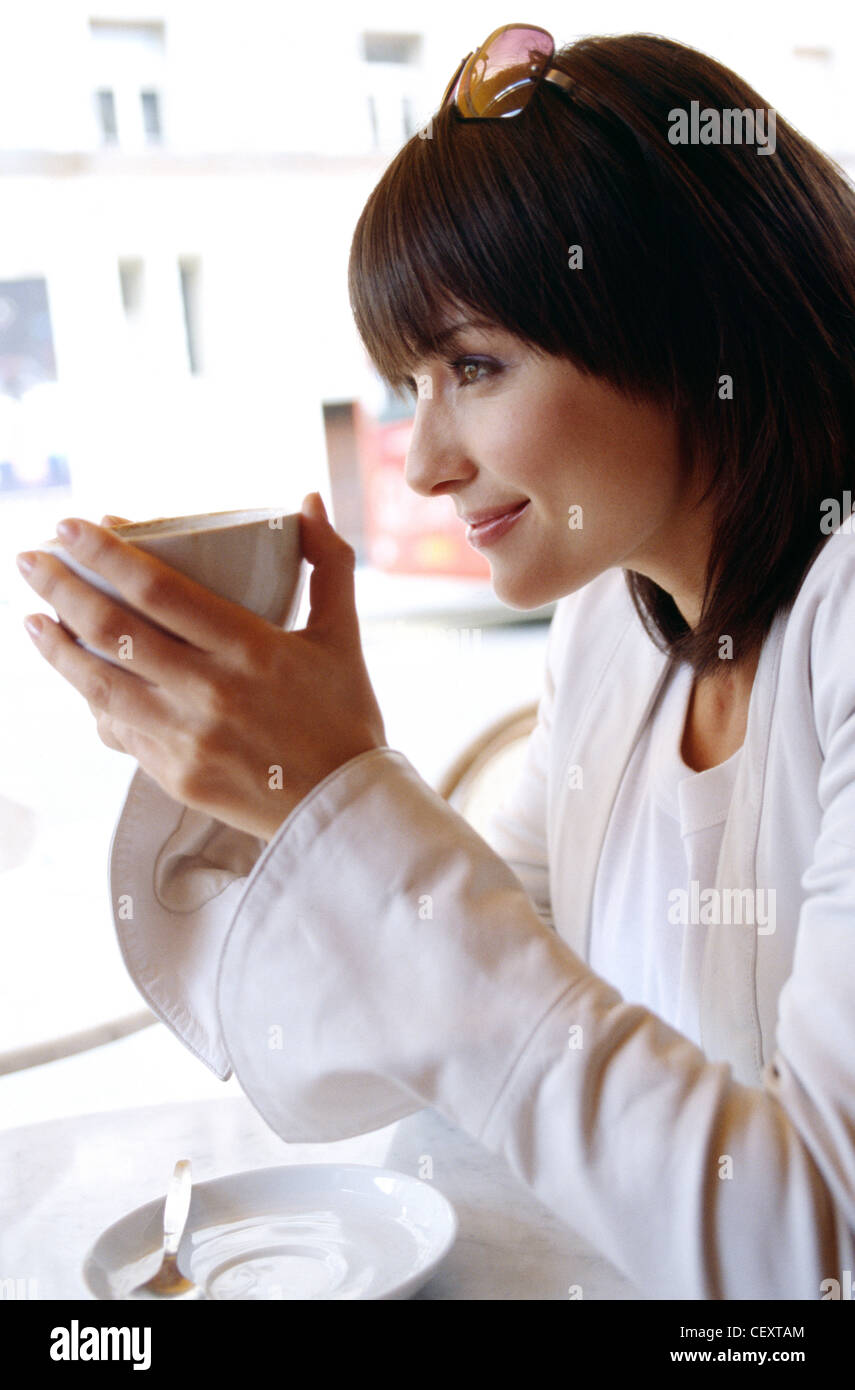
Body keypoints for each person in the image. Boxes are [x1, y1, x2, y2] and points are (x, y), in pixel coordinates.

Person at [15, 27, 855, 1298]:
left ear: (692, 320)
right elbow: (423, 1043)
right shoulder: (616, 634)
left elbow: (812, 1248)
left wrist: (342, 803)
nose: (421, 460)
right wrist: (293, 793)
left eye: (475, 365)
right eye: (415, 380)